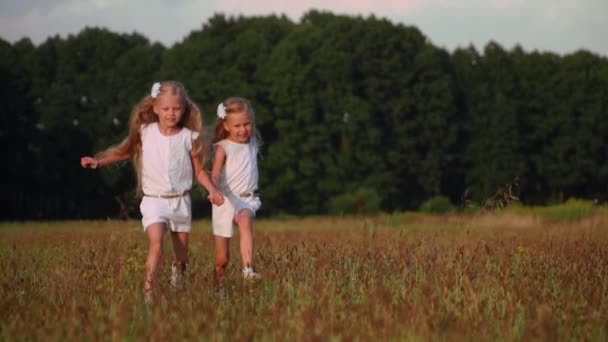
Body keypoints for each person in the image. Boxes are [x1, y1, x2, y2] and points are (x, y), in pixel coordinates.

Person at [80, 81, 224, 303]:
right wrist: (99, 162)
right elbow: (125, 152)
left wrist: (213, 190)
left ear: (184, 109)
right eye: (166, 109)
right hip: (154, 202)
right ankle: (148, 295)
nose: (171, 113)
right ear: (155, 108)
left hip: (180, 202)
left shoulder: (189, 137)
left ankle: (178, 285)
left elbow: (199, 173)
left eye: (176, 109)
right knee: (156, 244)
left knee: (181, 257)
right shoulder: (145, 132)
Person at [211, 97, 263, 288]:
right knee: (222, 259)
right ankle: (218, 289)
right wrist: (213, 190)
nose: (243, 130)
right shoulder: (223, 147)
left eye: (247, 124)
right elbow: (215, 175)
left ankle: (248, 270)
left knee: (245, 220)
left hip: (246, 200)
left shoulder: (253, 143)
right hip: (224, 201)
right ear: (225, 125)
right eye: (237, 126)